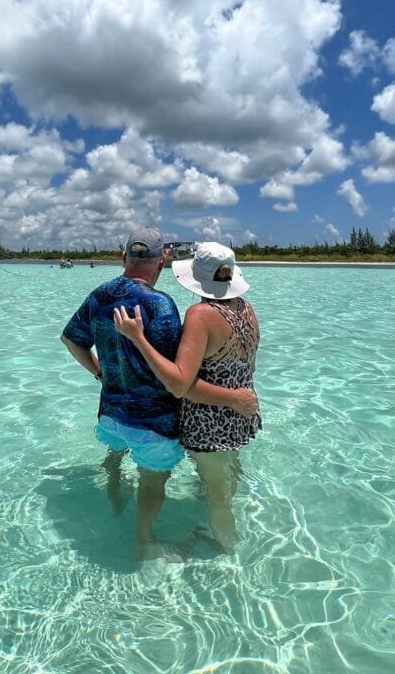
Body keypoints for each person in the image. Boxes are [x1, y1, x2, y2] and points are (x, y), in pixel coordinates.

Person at [61, 227, 257, 556]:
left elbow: (71, 340)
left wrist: (100, 372)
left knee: (115, 458)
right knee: (152, 481)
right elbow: (177, 376)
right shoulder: (160, 304)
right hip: (151, 423)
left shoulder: (98, 295)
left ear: (124, 257)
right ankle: (145, 539)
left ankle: (114, 495)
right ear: (162, 260)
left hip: (110, 412)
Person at [113, 242, 259, 553]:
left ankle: (227, 551)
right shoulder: (246, 309)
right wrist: (238, 400)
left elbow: (179, 384)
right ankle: (220, 537)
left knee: (218, 493)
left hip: (210, 421)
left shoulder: (201, 314)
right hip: (240, 417)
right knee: (225, 480)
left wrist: (137, 338)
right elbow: (247, 369)